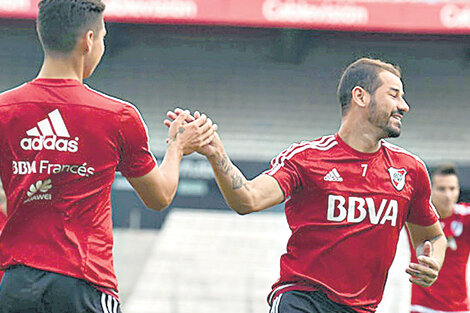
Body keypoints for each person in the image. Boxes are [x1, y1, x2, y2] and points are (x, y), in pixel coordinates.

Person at [167, 57, 447, 312]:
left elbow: (433, 236)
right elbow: (248, 199)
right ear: (360, 96)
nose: (404, 106)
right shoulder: (307, 159)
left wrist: (434, 261)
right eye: (394, 95)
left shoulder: (410, 170)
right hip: (303, 299)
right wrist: (217, 154)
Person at [0, 0, 216, 312]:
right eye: (102, 37)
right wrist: (178, 147)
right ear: (89, 41)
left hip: (16, 286)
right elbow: (159, 196)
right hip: (84, 283)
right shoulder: (118, 116)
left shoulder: (5, 110)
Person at [409, 164, 470, 313]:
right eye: (442, 189)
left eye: (452, 189)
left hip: (458, 307)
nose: (448, 195)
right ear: (431, 190)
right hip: (422, 306)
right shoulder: (415, 215)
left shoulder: (465, 217)